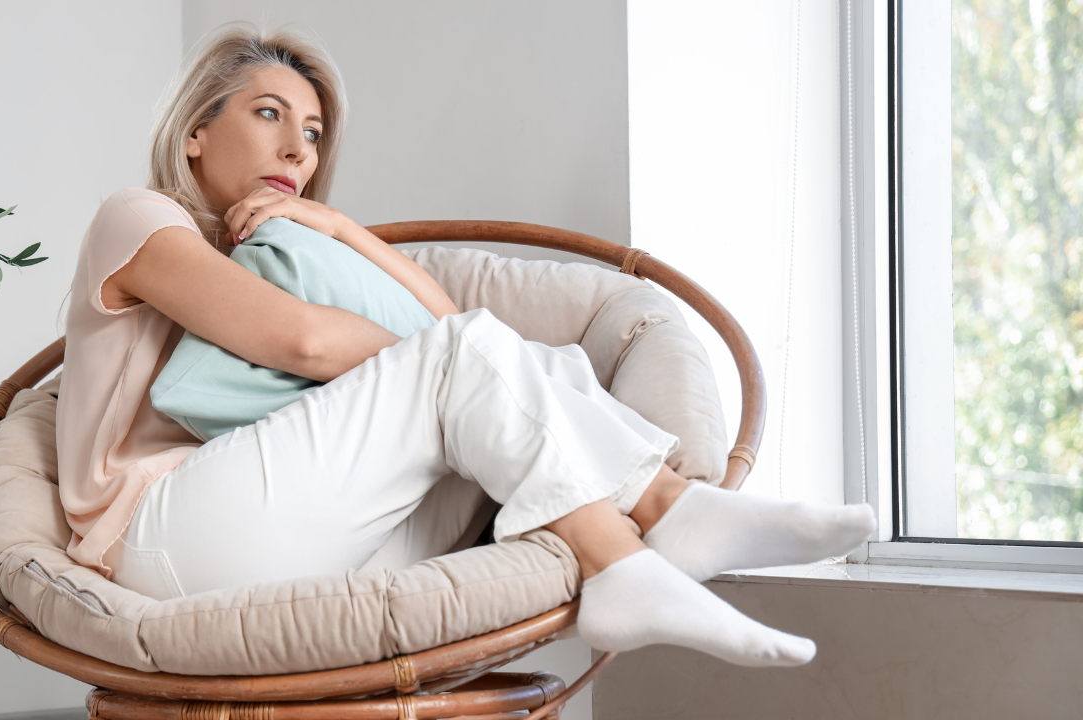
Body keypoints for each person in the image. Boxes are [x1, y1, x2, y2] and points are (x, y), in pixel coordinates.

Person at [55, 22, 876, 667]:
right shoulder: (137, 218)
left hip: (309, 542)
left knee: (524, 370)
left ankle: (666, 519)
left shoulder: (285, 249)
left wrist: (342, 228)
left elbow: (447, 320)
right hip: (160, 540)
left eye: (311, 132)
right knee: (466, 359)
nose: (297, 149)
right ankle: (635, 548)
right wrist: (438, 364)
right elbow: (304, 341)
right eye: (268, 114)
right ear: (195, 132)